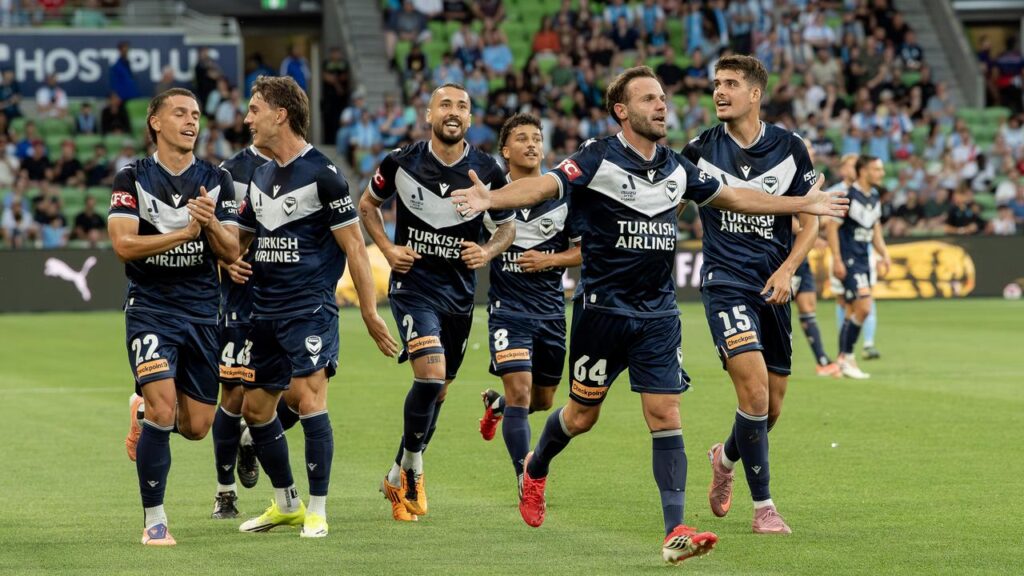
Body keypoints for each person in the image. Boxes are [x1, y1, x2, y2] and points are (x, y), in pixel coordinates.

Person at [451, 65, 848, 564]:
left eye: (662, 98)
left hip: (658, 315)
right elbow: (544, 187)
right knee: (580, 415)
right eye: (648, 99)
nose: (661, 105)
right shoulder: (597, 157)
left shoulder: (679, 167)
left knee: (666, 414)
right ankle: (536, 468)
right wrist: (491, 197)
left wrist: (803, 203)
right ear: (622, 111)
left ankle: (675, 529)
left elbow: (737, 197)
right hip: (602, 312)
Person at [231, 76, 398, 538]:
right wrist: (207, 233)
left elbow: (355, 249)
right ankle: (287, 503)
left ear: (280, 114)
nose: (247, 119)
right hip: (263, 311)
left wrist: (370, 313)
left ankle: (319, 510)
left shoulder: (324, 174)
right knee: (256, 410)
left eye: (254, 109)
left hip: (308, 309)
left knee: (308, 400)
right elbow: (238, 242)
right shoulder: (260, 177)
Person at [357, 82, 516, 522]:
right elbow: (367, 205)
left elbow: (507, 227)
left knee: (439, 391)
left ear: (470, 118)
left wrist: (487, 251)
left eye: (462, 106)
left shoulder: (488, 169)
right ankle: (414, 469)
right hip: (413, 287)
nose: (454, 111)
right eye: (445, 104)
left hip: (459, 297)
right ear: (428, 114)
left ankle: (396, 474)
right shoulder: (401, 161)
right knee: (429, 377)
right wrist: (388, 249)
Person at [681, 55, 822, 536]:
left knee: (771, 407)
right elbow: (668, 203)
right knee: (755, 392)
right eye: (716, 83)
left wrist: (787, 269)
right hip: (726, 282)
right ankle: (764, 507)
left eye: (730, 84)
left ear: (755, 93)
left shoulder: (791, 147)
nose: (719, 92)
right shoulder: (699, 149)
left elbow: (810, 221)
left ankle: (724, 458)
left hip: (774, 286)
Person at [108, 87, 240, 546]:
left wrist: (211, 223)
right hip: (151, 308)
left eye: (196, 115)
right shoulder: (132, 178)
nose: (191, 122)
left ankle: (141, 409)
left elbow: (231, 251)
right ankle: (155, 521)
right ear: (156, 122)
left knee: (197, 426)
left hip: (202, 311)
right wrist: (184, 232)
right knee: (165, 410)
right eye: (180, 113)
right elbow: (123, 245)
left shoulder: (216, 180)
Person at [475, 113, 582, 498]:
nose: (532, 144)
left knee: (542, 400)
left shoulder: (562, 194)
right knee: (522, 392)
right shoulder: (488, 196)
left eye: (536, 137)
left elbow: (584, 251)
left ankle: (497, 406)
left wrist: (549, 260)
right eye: (521, 138)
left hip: (551, 312)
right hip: (508, 309)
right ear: (505, 151)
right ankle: (525, 478)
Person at [208, 141, 273, 520]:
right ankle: (225, 492)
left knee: (297, 395)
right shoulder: (229, 172)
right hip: (242, 297)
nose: (250, 117)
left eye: (255, 111)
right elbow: (208, 233)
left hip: (289, 298)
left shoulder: (307, 165)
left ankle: (251, 437)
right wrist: (224, 261)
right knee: (232, 395)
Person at [825, 155, 891, 379]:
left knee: (853, 311)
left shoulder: (874, 196)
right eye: (877, 169)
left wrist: (884, 254)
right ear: (863, 171)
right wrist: (837, 259)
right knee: (864, 307)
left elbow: (875, 229)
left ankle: (843, 359)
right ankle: (847, 357)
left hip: (864, 259)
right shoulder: (848, 196)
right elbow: (832, 227)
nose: (881, 173)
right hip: (850, 260)